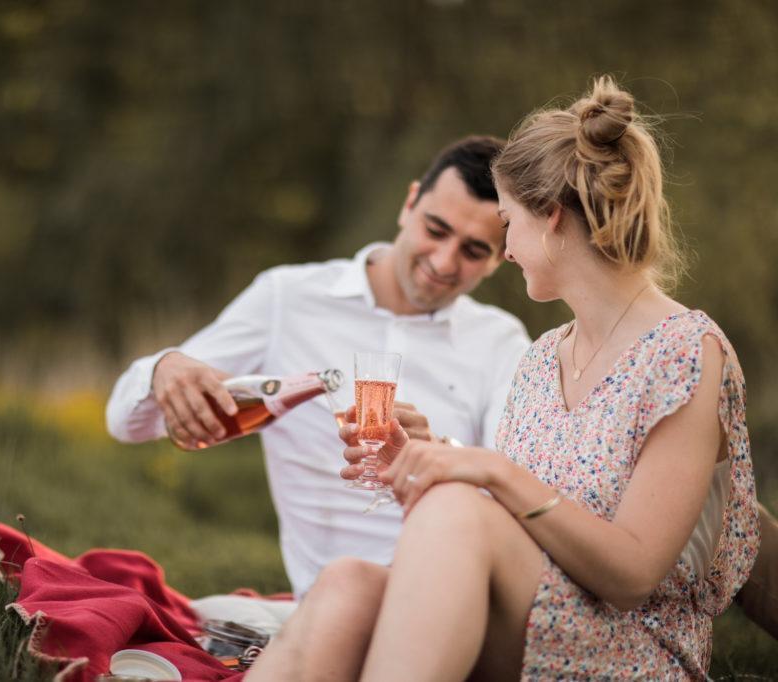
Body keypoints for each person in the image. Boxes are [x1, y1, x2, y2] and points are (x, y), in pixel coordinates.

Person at [245, 76, 761, 680]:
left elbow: (632, 577)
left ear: (551, 220)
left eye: (507, 224)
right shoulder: (544, 358)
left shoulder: (683, 353)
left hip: (631, 646)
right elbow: (515, 519)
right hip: (535, 617)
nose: (506, 251)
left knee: (458, 509)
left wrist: (485, 469)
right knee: (347, 584)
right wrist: (429, 458)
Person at [106, 136, 532, 599]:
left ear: (499, 258)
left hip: (449, 590)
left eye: (473, 251)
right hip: (326, 601)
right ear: (409, 204)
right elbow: (127, 424)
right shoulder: (286, 298)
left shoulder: (501, 341)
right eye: (435, 229)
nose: (444, 261)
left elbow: (514, 494)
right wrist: (163, 368)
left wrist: (437, 453)